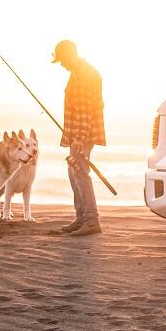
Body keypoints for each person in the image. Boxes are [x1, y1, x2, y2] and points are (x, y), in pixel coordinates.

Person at [52, 39, 105, 236]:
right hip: (77, 133)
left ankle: (91, 220)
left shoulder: (84, 74)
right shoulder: (78, 72)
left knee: (80, 173)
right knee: (74, 172)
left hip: (82, 134)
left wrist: (80, 138)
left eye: (62, 60)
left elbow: (85, 110)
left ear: (70, 55)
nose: (62, 65)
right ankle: (82, 217)